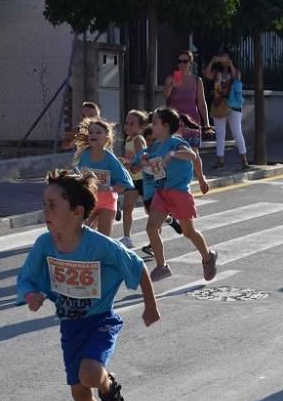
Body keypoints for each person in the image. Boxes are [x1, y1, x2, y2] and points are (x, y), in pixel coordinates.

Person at [16, 170, 159, 401]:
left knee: (90, 375)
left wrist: (150, 306)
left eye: (52, 205)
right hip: (70, 325)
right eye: (44, 204)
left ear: (77, 211)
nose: (45, 211)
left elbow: (137, 266)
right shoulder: (45, 243)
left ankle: (109, 386)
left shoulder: (99, 245)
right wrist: (31, 294)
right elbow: (27, 277)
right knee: (79, 392)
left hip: (100, 320)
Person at [137, 108, 218, 283]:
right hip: (162, 193)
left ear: (165, 126)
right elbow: (151, 167)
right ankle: (162, 266)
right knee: (151, 228)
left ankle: (208, 257)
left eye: (155, 123)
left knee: (188, 232)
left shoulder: (176, 143)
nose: (152, 126)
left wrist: (201, 177)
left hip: (179, 193)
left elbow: (192, 156)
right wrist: (142, 162)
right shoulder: (156, 146)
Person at [73, 116, 134, 236]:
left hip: (107, 201)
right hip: (89, 199)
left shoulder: (110, 159)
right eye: (91, 132)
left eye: (98, 132)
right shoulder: (84, 155)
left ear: (107, 136)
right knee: (80, 234)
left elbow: (125, 183)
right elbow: (80, 176)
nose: (93, 134)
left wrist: (109, 188)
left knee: (104, 238)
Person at [162, 50, 211, 194]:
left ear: (190, 63)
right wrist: (171, 86)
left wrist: (206, 123)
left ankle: (201, 179)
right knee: (174, 153)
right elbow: (165, 95)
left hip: (192, 122)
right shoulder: (171, 78)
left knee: (194, 153)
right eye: (180, 61)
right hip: (175, 123)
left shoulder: (197, 81)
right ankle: (174, 183)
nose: (182, 64)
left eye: (185, 61)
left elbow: (201, 104)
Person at [203, 53, 249, 169]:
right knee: (220, 133)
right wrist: (213, 61)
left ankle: (244, 159)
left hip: (233, 104)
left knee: (236, 132)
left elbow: (236, 77)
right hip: (220, 104)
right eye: (222, 58)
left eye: (226, 57)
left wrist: (230, 64)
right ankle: (220, 160)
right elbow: (207, 75)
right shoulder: (217, 72)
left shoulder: (235, 71)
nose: (223, 60)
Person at [119, 110, 150, 249]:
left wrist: (131, 164)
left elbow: (142, 158)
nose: (128, 126)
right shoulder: (129, 139)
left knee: (150, 210)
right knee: (127, 208)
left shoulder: (138, 139)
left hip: (143, 180)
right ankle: (127, 237)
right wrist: (126, 162)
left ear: (141, 127)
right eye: (126, 123)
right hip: (132, 180)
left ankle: (166, 223)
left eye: (132, 124)